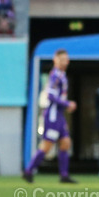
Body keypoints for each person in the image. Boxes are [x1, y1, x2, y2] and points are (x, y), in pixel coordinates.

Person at [24, 49, 76, 183]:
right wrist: (67, 103)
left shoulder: (62, 75)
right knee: (47, 145)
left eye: (66, 59)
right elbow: (51, 96)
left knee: (66, 142)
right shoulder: (55, 76)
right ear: (56, 60)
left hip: (59, 116)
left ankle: (64, 175)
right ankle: (29, 170)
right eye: (62, 59)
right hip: (52, 116)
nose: (65, 62)